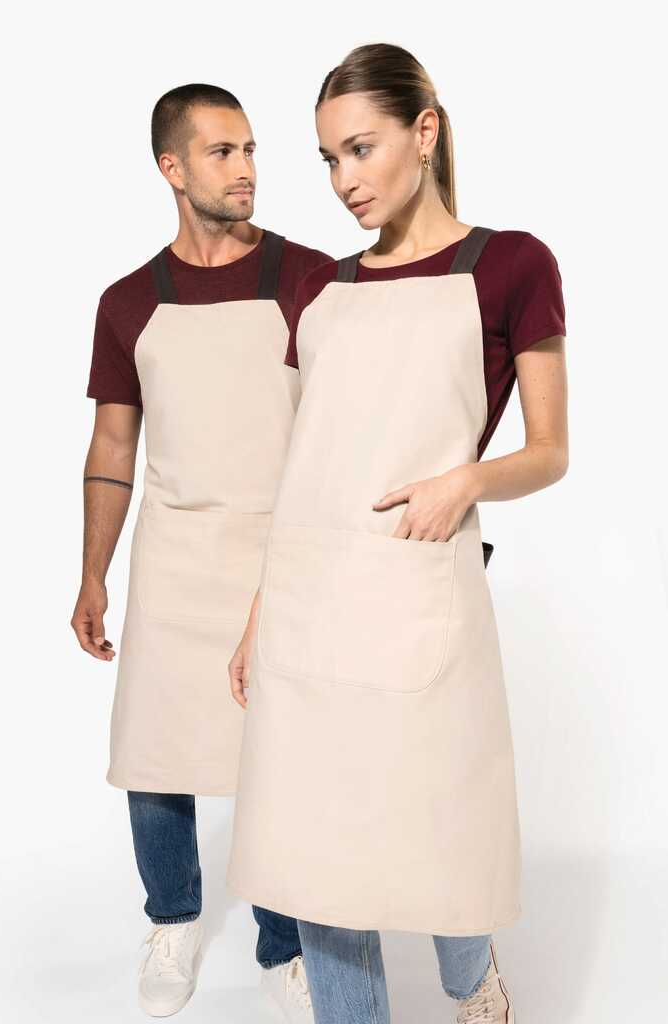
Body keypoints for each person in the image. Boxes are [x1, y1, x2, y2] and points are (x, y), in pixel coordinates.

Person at [226, 43, 568, 1024]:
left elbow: (550, 451)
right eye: (327, 159)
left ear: (424, 132)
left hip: (416, 589)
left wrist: (466, 481)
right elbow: (300, 468)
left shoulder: (510, 265)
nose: (344, 180)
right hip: (308, 603)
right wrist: (257, 613)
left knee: (432, 821)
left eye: (361, 148)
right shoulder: (318, 290)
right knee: (316, 853)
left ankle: (472, 981)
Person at [71, 83, 331, 1021]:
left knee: (283, 752)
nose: (247, 168)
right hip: (173, 556)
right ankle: (174, 916)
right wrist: (92, 571)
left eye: (252, 148)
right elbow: (113, 445)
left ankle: (285, 941)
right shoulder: (127, 302)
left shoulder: (311, 280)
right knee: (155, 749)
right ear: (171, 167)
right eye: (223, 152)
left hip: (279, 552)